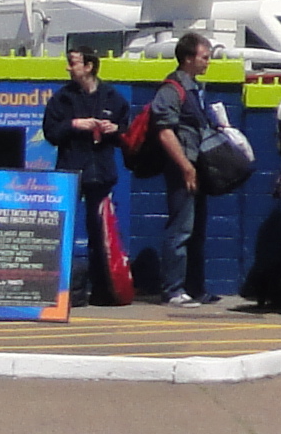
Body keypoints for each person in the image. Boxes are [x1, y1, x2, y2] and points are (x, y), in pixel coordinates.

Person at [131, 34, 221, 306]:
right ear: (188, 58)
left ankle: (194, 288)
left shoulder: (195, 88)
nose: (208, 62)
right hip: (183, 168)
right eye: (204, 57)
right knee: (181, 229)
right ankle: (173, 290)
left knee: (195, 230)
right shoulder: (172, 89)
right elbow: (165, 132)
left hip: (197, 166)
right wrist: (185, 167)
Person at [40, 44, 125, 310]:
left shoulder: (113, 97)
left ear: (88, 66)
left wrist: (115, 129)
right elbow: (51, 133)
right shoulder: (62, 99)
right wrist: (75, 124)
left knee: (101, 236)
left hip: (101, 174)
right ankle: (61, 291)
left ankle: (102, 291)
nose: (68, 67)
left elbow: (128, 135)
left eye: (73, 62)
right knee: (61, 232)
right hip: (70, 173)